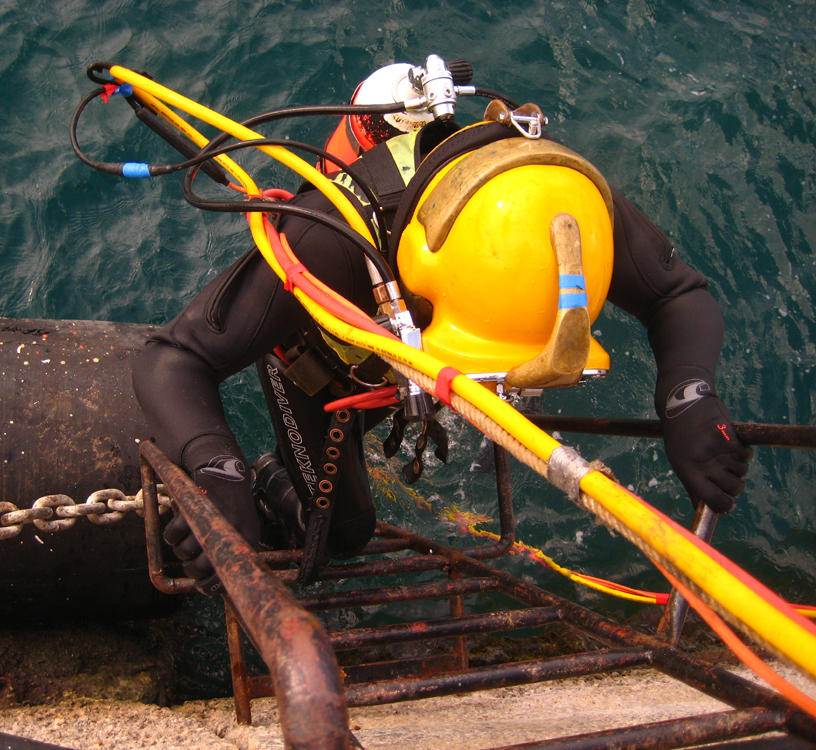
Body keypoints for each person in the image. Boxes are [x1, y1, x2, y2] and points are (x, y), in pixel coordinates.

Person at [131, 59, 753, 594]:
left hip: (393, 358)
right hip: (324, 372)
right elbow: (173, 357)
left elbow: (676, 293)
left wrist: (688, 396)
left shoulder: (557, 195)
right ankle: (273, 485)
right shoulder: (330, 236)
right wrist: (218, 473)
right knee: (346, 534)